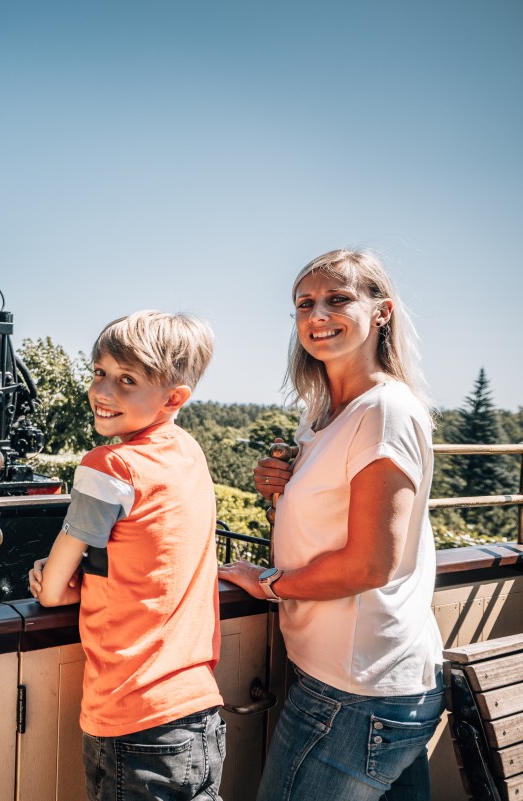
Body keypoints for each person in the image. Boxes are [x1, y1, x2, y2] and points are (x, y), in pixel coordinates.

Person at [217, 249, 444, 801]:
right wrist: (281, 494)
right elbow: (326, 528)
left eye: (338, 299)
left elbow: (369, 563)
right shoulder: (322, 414)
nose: (317, 315)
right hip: (362, 681)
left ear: (381, 312)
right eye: (304, 304)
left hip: (357, 690)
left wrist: (268, 585)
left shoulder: (383, 412)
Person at [28, 310, 224, 801]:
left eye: (127, 380)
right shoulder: (188, 453)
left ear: (173, 398)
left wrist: (54, 578)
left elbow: (52, 590)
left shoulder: (109, 464)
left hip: (131, 716)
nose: (103, 391)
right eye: (100, 372)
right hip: (196, 712)